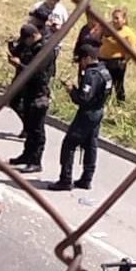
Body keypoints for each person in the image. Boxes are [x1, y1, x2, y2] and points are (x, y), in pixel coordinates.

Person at [48, 44, 112, 191]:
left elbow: (83, 98)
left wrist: (72, 91)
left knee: (69, 144)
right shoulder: (105, 71)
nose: (81, 64)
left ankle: (65, 179)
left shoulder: (92, 74)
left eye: (82, 60)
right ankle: (86, 178)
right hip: (98, 111)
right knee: (91, 144)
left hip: (87, 113)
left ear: (88, 58)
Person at [7, 24, 56, 172]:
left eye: (26, 40)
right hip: (28, 90)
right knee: (29, 125)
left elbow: (37, 72)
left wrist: (19, 65)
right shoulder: (31, 45)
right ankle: (27, 155)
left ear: (33, 36)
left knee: (37, 130)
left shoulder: (44, 50)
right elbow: (20, 52)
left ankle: (36, 161)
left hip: (39, 93)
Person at [99, 6, 136, 103]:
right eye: (113, 17)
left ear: (124, 20)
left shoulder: (128, 33)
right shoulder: (107, 27)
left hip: (116, 62)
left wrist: (124, 61)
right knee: (103, 83)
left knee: (118, 85)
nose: (114, 20)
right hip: (102, 60)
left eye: (117, 18)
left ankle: (120, 103)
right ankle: (103, 102)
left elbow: (132, 50)